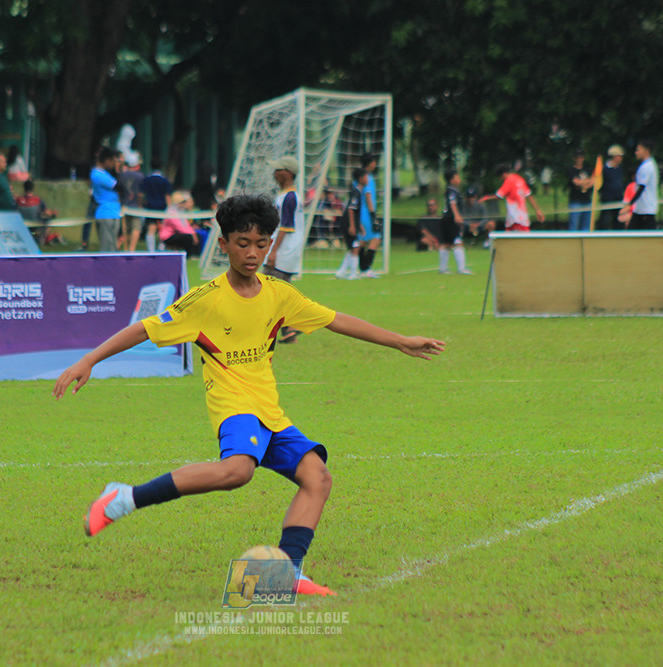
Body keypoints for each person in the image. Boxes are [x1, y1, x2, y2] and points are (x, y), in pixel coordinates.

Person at [52, 193, 446, 597]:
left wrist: (399, 341)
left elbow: (335, 320)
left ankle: (287, 572)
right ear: (222, 244)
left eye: (262, 244)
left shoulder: (279, 293)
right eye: (243, 243)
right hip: (234, 408)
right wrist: (90, 360)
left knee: (317, 477)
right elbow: (143, 329)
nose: (253, 253)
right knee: (237, 471)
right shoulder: (206, 300)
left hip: (269, 411)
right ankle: (124, 497)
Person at [264, 156, 306, 343]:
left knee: (268, 288)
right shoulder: (284, 195)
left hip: (284, 249)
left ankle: (294, 324)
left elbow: (285, 226)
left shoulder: (290, 197)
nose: (274, 174)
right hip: (284, 249)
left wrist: (272, 251)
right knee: (279, 290)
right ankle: (290, 330)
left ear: (288, 173)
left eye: (278, 170)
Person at [80, 147, 122, 253]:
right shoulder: (97, 174)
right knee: (106, 249)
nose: (114, 163)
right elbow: (119, 186)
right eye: (113, 160)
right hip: (105, 213)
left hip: (114, 212)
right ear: (107, 160)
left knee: (113, 247)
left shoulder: (106, 174)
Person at [482, 164, 544, 232]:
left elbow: (498, 196)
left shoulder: (508, 181)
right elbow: (529, 196)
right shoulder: (520, 180)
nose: (500, 179)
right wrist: (537, 211)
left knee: (519, 240)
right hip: (522, 217)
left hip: (514, 218)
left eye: (500, 177)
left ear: (504, 174)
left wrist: (486, 198)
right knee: (513, 239)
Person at [334, 168, 368, 279]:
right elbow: (350, 209)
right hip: (349, 222)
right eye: (366, 176)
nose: (367, 179)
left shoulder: (358, 191)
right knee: (356, 246)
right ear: (361, 178)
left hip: (353, 222)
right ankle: (353, 273)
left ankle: (341, 272)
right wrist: (353, 225)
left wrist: (360, 225)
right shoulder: (355, 192)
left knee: (354, 246)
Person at [438, 170, 471, 274]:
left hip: (446, 218)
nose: (459, 179)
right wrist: (457, 216)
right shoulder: (452, 191)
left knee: (447, 243)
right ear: (452, 180)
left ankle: (443, 269)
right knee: (458, 242)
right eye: (457, 177)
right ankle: (461, 269)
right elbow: (453, 203)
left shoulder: (450, 190)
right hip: (451, 219)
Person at [139, 157, 173, 253]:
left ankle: (151, 251)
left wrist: (142, 203)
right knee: (163, 230)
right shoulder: (164, 181)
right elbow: (167, 196)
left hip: (150, 208)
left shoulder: (147, 179)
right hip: (162, 208)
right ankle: (161, 249)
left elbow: (141, 194)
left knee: (151, 229)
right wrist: (170, 208)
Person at [356, 153, 381, 277]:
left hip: (360, 213)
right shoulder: (367, 177)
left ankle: (363, 268)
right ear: (370, 163)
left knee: (364, 240)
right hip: (366, 213)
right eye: (374, 161)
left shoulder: (358, 176)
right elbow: (368, 195)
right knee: (375, 238)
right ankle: (365, 268)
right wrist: (373, 214)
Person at [16, 179, 61, 245]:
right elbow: (47, 212)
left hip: (22, 224)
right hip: (35, 224)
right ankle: (42, 240)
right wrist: (52, 213)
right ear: (33, 188)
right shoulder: (37, 200)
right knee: (48, 221)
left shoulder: (18, 200)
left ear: (23, 188)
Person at [629, 140, 659, 230]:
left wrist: (629, 204)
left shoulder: (647, 166)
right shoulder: (647, 165)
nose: (636, 153)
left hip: (645, 210)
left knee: (647, 239)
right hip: (641, 209)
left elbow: (641, 187)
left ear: (646, 151)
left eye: (638, 150)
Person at [118, 153, 145, 251]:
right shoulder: (140, 176)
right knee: (136, 227)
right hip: (135, 206)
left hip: (124, 205)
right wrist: (141, 204)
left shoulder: (122, 175)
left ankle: (123, 247)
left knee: (126, 228)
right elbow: (140, 194)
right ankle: (131, 249)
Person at [598, 145, 626, 230]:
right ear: (615, 157)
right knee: (604, 219)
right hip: (607, 198)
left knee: (618, 220)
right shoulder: (605, 168)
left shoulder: (619, 169)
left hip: (618, 198)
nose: (621, 158)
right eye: (619, 156)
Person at [567, 149, 593, 232]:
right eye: (577, 157)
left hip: (587, 200)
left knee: (586, 226)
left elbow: (592, 181)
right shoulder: (571, 170)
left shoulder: (588, 168)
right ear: (574, 158)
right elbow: (575, 182)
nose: (579, 159)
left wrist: (583, 182)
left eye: (581, 157)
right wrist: (586, 182)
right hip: (575, 201)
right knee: (573, 225)